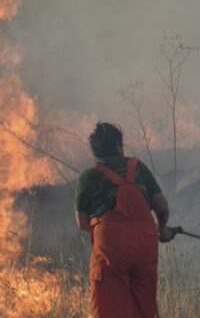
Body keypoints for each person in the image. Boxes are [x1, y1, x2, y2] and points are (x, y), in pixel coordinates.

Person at [75, 122, 177, 318]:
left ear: (95, 151)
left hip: (111, 246)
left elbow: (82, 222)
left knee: (109, 308)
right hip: (145, 244)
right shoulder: (138, 167)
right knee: (143, 306)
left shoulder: (88, 176)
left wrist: (110, 230)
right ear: (118, 146)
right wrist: (162, 230)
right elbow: (162, 207)